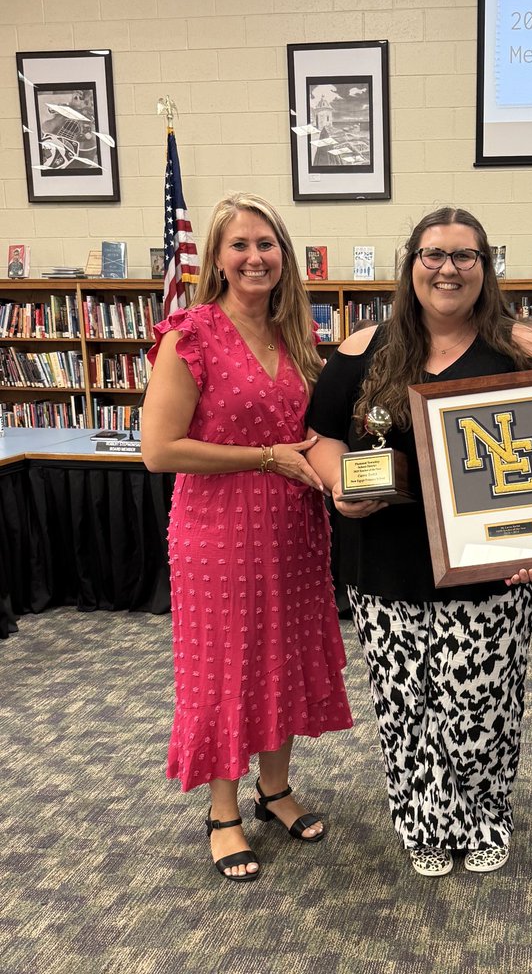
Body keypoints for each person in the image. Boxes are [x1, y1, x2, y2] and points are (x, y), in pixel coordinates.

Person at [305, 207, 532, 878]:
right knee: (405, 705)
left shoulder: (523, 348)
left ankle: (484, 817)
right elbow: (321, 436)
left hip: (489, 564)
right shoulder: (364, 349)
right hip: (386, 561)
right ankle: (423, 822)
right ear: (411, 263)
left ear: (485, 267)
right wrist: (338, 484)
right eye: (433, 254)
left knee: (480, 703)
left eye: (464, 256)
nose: (448, 269)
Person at [141, 192, 352, 884]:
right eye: (240, 244)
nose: (255, 257)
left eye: (267, 244)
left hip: (293, 529)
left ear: (284, 256)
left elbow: (313, 432)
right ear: (217, 258)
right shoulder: (190, 336)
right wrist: (264, 458)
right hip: (217, 533)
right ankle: (222, 810)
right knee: (226, 668)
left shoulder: (298, 336)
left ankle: (276, 789)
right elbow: (159, 450)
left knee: (283, 658)